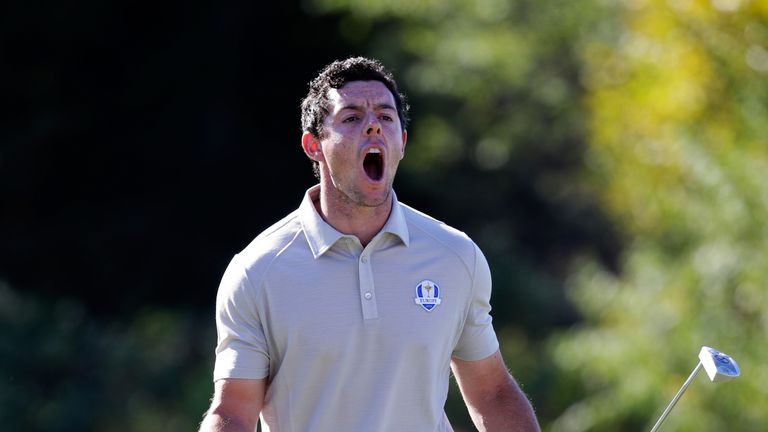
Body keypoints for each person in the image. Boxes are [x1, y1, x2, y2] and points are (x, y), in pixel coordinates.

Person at [199, 57, 541, 432]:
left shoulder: (455, 256)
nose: (374, 125)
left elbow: (492, 393)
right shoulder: (257, 271)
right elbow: (233, 412)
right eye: (352, 118)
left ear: (402, 143)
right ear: (314, 145)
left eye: (385, 116)